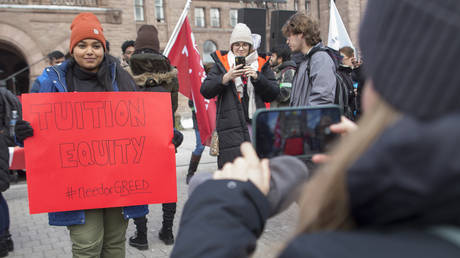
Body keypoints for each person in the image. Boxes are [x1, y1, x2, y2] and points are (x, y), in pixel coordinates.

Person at [171, 0, 460, 257]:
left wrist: (216, 212)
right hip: (233, 133)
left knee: (303, 184)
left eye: (372, 75)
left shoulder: (316, 249)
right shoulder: (221, 66)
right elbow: (206, 90)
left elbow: (289, 95)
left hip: (273, 136)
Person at [25, 12, 142, 258]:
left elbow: (142, 123)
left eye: (96, 45)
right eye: (82, 45)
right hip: (76, 183)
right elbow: (33, 126)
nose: (90, 51)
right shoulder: (53, 80)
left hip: (117, 179)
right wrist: (23, 131)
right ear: (72, 49)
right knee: (86, 246)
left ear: (103, 48)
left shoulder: (120, 77)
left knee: (114, 245)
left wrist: (168, 136)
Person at [126, 24, 180, 249]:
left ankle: (142, 235)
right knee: (167, 185)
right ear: (157, 45)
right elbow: (173, 107)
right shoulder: (169, 73)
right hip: (163, 138)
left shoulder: (126, 72)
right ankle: (167, 232)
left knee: (139, 187)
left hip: (135, 140)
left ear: (137, 45)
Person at [200, 23, 279, 169]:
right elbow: (205, 90)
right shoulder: (221, 64)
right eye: (237, 44)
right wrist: (225, 78)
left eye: (245, 44)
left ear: (250, 46)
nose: (241, 48)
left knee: (256, 170)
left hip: (255, 127)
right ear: (231, 46)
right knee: (234, 171)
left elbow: (273, 93)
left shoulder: (261, 64)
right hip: (230, 128)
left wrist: (257, 77)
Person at [282, 12, 336, 107]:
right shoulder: (306, 61)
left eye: (289, 36)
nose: (287, 41)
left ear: (301, 34)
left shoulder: (320, 59)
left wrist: (304, 120)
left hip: (309, 121)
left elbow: (321, 101)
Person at [185, 63, 214, 184]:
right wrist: (201, 109)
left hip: (214, 121)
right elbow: (191, 104)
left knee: (218, 147)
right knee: (200, 147)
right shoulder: (197, 86)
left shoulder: (216, 85)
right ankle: (190, 173)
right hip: (200, 122)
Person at [337, 46, 357, 121]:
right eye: (351, 59)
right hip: (345, 114)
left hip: (350, 112)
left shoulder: (347, 72)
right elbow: (340, 94)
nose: (352, 61)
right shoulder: (338, 73)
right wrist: (352, 93)